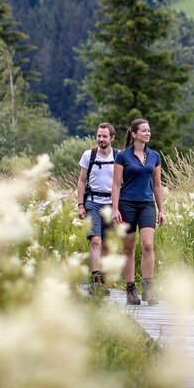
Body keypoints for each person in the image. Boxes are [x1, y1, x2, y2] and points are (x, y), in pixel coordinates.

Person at [111, 118, 165, 305]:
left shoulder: (155, 156)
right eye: (144, 131)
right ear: (134, 134)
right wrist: (115, 208)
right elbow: (116, 184)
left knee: (148, 245)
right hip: (127, 205)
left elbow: (157, 186)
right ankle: (130, 289)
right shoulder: (122, 156)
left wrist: (161, 210)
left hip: (147, 204)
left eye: (149, 130)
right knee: (129, 247)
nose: (147, 133)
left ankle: (148, 289)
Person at [76, 122, 117, 295]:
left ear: (112, 138)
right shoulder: (89, 155)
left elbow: (121, 183)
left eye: (104, 136)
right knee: (95, 241)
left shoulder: (119, 157)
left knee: (107, 244)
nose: (101, 139)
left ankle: (104, 280)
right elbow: (81, 181)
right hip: (92, 201)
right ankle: (95, 280)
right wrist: (80, 205)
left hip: (111, 203)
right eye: (99, 136)